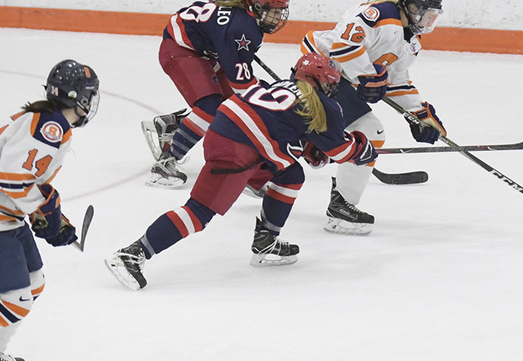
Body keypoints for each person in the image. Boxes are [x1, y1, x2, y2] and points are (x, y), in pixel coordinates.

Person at [105, 53, 377, 291]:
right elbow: (343, 152)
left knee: (291, 175)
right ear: (324, 82)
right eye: (331, 84)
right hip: (239, 148)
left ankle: (266, 242)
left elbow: (286, 128)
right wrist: (364, 149)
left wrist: (310, 150)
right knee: (199, 212)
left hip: (227, 132)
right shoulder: (322, 104)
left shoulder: (282, 87)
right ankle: (133, 253)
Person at [300, 0, 446, 236]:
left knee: (352, 135)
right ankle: (339, 208)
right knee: (356, 133)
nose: (429, 22)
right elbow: (343, 47)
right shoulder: (379, 15)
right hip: (320, 72)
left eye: (433, 16)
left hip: (342, 81)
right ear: (412, 8)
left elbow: (396, 81)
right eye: (427, 15)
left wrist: (420, 114)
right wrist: (366, 74)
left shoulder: (411, 41)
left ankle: (259, 170)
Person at [0, 60, 100, 361]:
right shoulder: (48, 127)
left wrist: (54, 215)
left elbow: (27, 180)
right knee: (16, 297)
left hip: (8, 217)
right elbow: (12, 178)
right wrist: (43, 211)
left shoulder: (48, 121)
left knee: (33, 281)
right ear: (80, 98)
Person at [141, 0, 290, 188]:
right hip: (180, 48)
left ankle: (174, 126)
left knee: (231, 106)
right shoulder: (242, 30)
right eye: (273, 12)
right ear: (256, 7)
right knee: (211, 108)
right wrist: (270, 99)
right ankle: (167, 163)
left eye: (280, 11)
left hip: (207, 49)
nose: (278, 18)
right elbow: (243, 87)